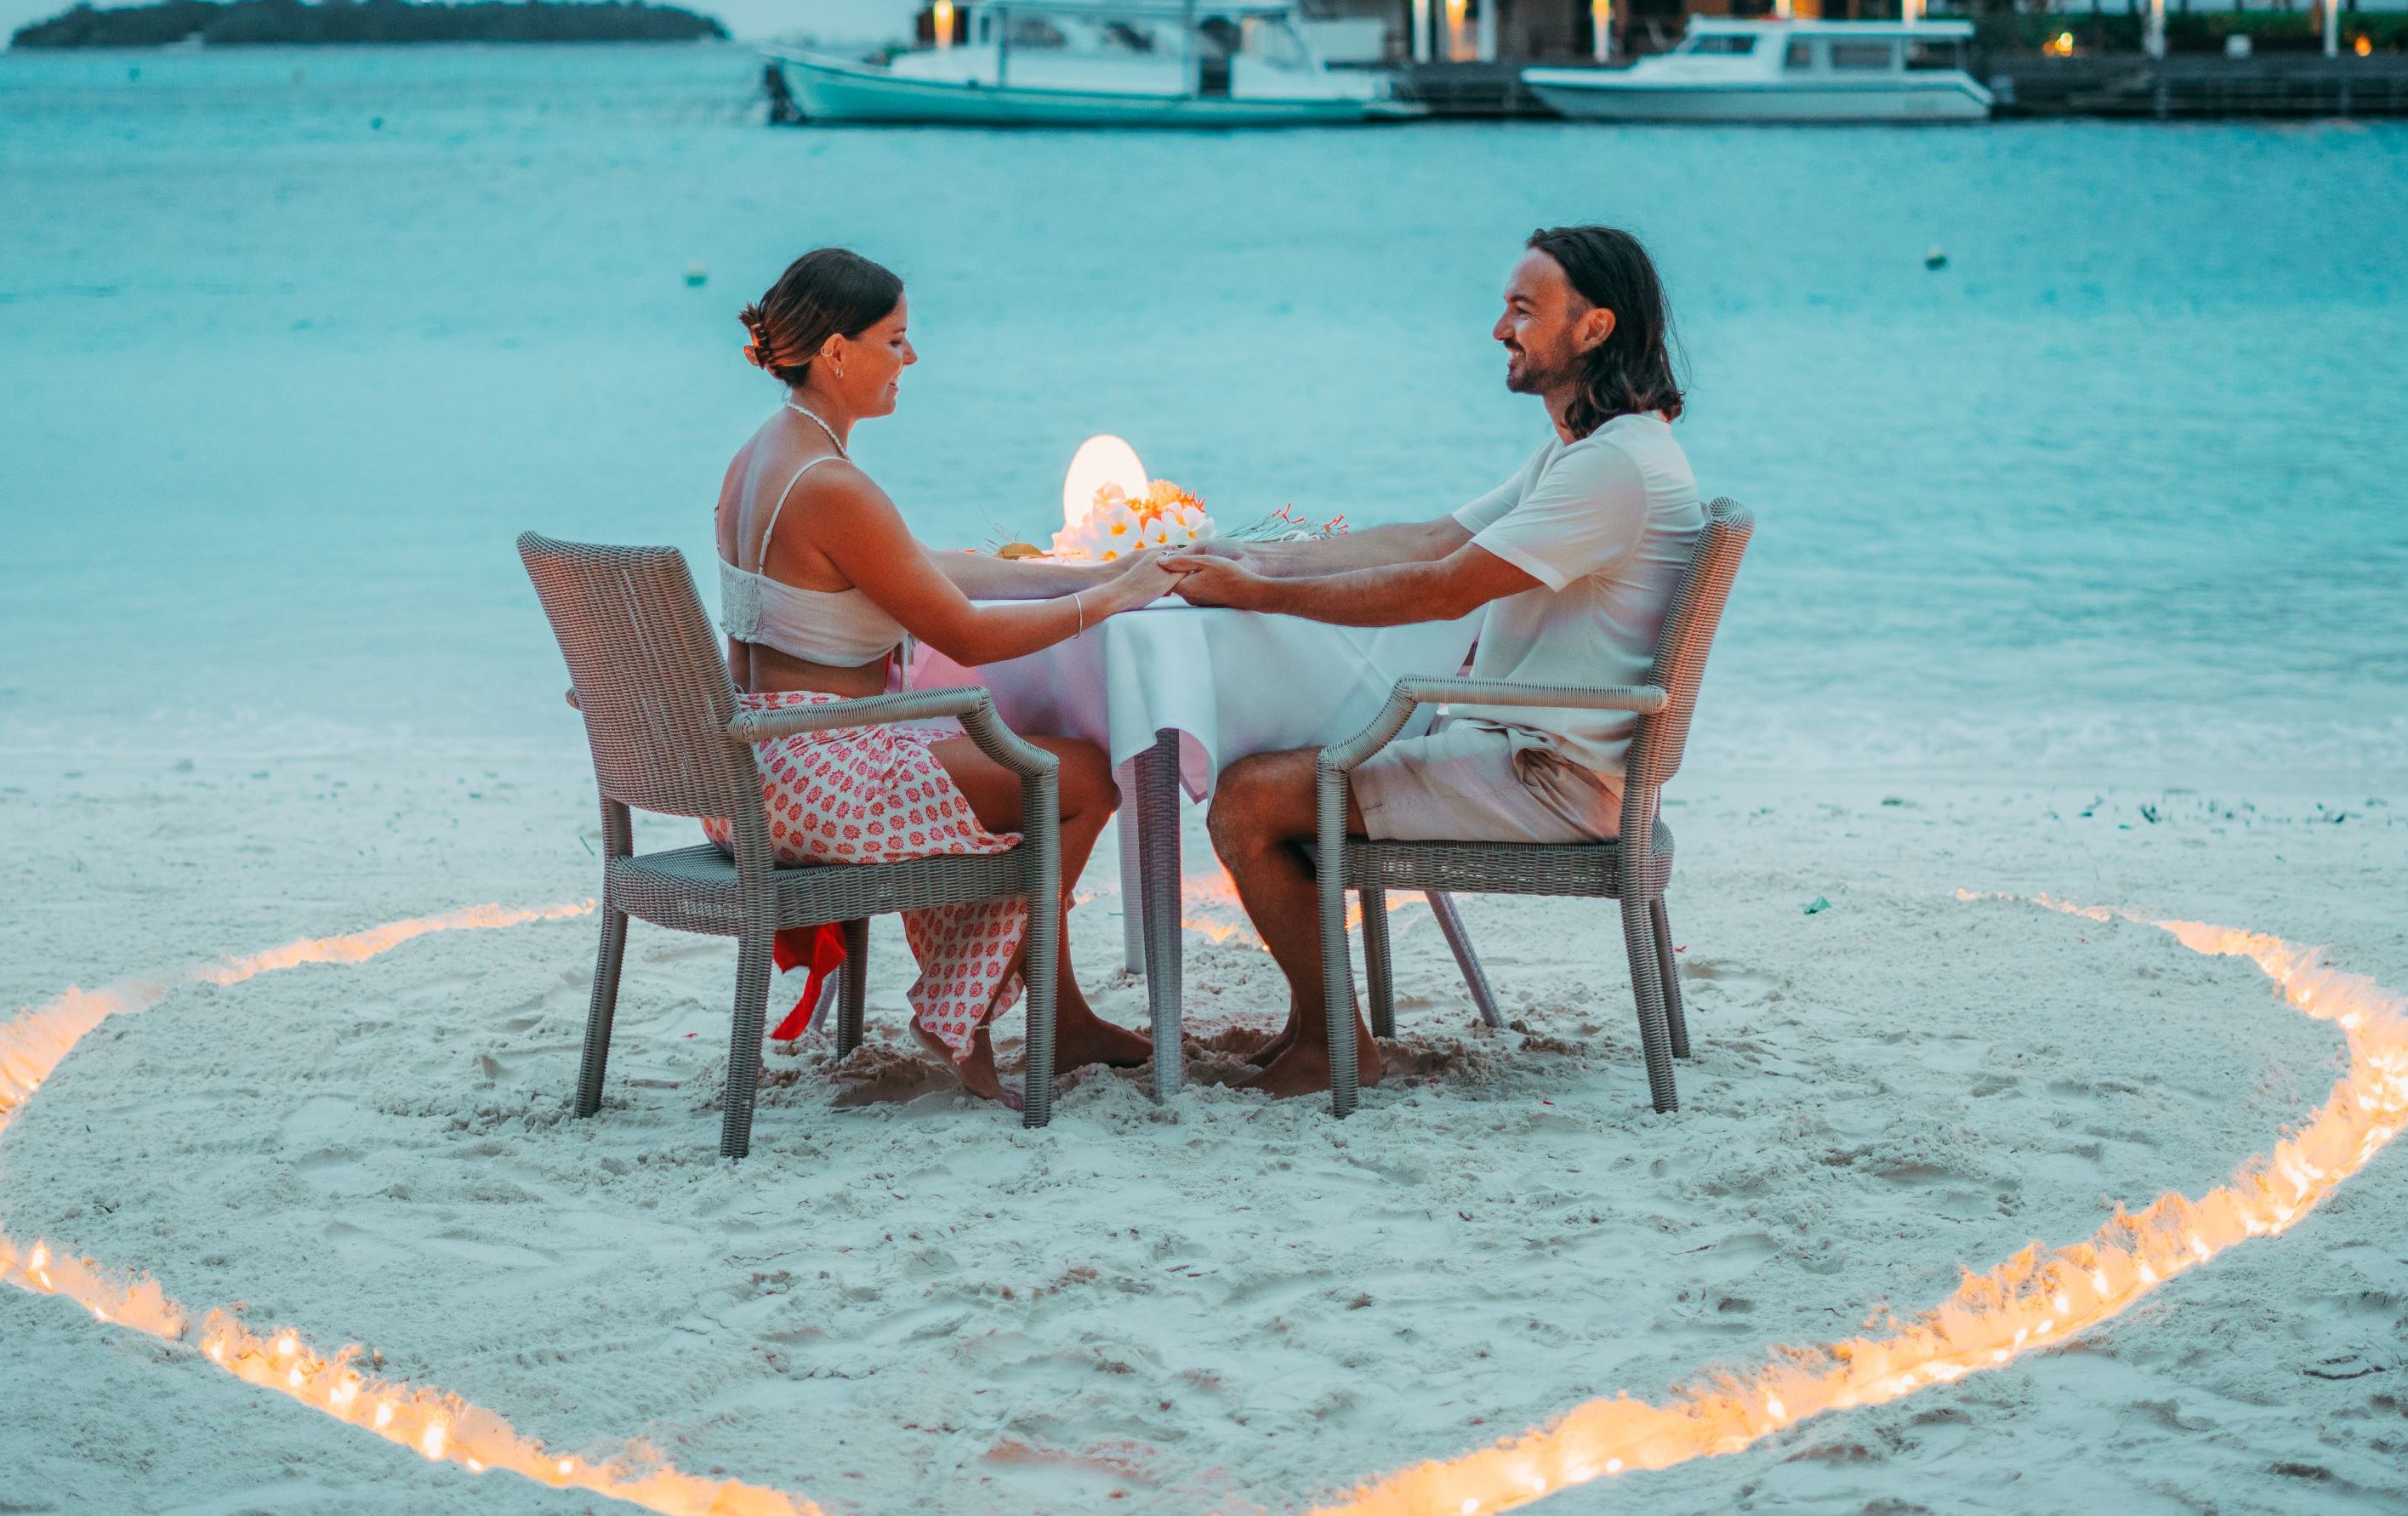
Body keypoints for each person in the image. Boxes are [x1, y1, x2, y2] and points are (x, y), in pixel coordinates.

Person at [1160, 225, 1703, 1097]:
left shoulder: (1613, 471)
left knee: (1248, 798)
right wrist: (1248, 557)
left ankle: (1333, 1043)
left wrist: (1256, 596)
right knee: (1281, 773)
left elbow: (1441, 588)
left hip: (1549, 778)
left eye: (1522, 309)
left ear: (1594, 328)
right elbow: (1428, 537)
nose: (1498, 328)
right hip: (1546, 752)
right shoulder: (1590, 451)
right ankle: (1318, 1024)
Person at [716, 248, 1164, 1108]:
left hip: (755, 767)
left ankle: (1059, 1015)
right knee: (1077, 779)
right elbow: (963, 630)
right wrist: (1111, 600)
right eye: (897, 339)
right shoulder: (829, 484)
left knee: (1036, 767)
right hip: (816, 777)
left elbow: (933, 569)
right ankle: (960, 1009)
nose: (910, 359)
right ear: (837, 352)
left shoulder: (764, 455)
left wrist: (1094, 568)